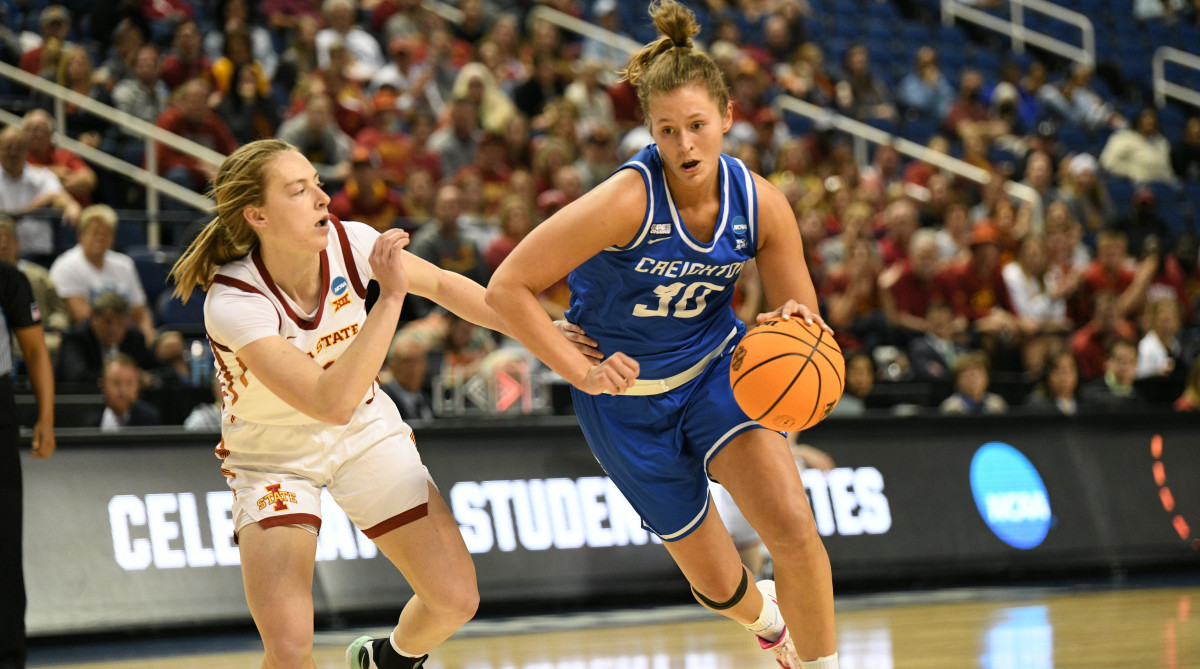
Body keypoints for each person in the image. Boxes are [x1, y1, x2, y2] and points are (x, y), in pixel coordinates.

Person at [485, 3, 839, 667]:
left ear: (728, 116)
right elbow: (508, 285)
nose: (685, 145)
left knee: (792, 523)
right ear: (649, 130)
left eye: (698, 125)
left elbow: (801, 316)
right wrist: (574, 365)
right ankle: (764, 618)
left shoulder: (761, 203)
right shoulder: (627, 200)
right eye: (667, 130)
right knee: (716, 582)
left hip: (714, 373)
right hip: (624, 404)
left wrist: (789, 328)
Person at [165, 138, 526, 669]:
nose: (321, 198)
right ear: (257, 214)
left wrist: (543, 332)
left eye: (317, 183)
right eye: (299, 190)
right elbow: (327, 401)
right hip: (274, 460)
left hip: (363, 433)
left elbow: (449, 286)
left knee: (455, 599)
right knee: (289, 649)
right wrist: (393, 298)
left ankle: (389, 659)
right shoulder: (235, 300)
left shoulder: (351, 242)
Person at [0, 260, 55, 669]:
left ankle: (9, 653)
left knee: (4, 535)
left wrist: (46, 418)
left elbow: (35, 350)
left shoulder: (6, 279)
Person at [48, 204, 156, 343]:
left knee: (172, 344)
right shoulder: (65, 265)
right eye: (95, 232)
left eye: (106, 233)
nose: (100, 237)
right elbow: (81, 316)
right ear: (81, 235)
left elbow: (140, 312)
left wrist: (147, 339)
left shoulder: (124, 264)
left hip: (125, 336)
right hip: (85, 341)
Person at [95, 353, 161, 430]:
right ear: (102, 386)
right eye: (116, 383)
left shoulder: (149, 418)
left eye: (129, 383)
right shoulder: (88, 419)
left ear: (138, 386)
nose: (123, 390)